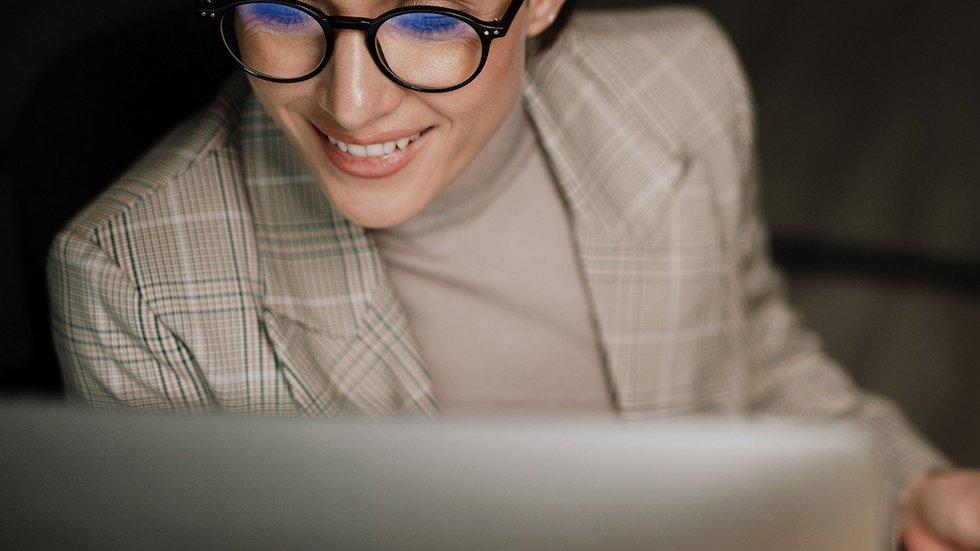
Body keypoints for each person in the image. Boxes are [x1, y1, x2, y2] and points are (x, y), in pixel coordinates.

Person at [47, 0, 980, 549]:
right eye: (284, 12)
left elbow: (755, 357)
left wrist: (903, 487)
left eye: (426, 19)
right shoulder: (131, 282)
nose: (352, 104)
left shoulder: (684, 81)